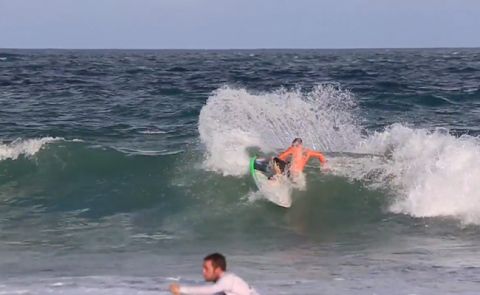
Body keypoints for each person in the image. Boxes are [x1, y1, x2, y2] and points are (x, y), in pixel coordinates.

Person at [169, 253, 258, 295]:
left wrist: (181, 290)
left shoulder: (227, 280)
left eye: (206, 268)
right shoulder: (226, 281)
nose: (203, 271)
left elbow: (210, 290)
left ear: (217, 270)